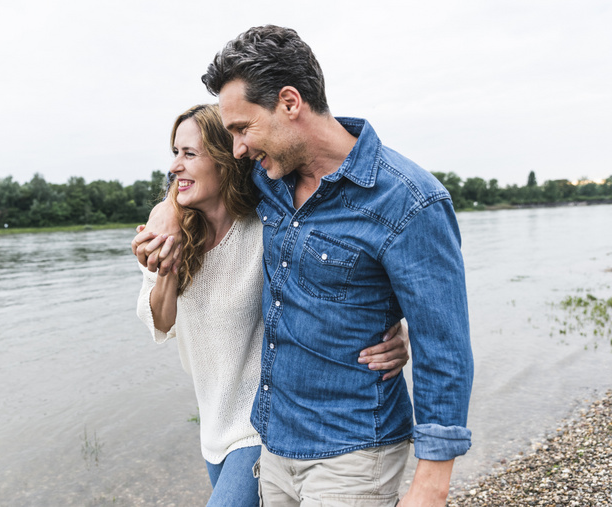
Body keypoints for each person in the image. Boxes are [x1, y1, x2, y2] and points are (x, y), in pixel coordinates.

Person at [136, 25, 474, 506]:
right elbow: (198, 172)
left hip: (355, 449)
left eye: (243, 129)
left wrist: (432, 482)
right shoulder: (268, 180)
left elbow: (444, 348)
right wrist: (169, 209)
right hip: (275, 445)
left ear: (290, 103)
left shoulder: (410, 202)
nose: (238, 149)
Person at [134, 103, 410, 507]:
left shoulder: (268, 227)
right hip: (213, 428)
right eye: (174, 153)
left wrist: (395, 329)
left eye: (189, 154)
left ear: (226, 160)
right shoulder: (169, 234)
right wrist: (169, 259)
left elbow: (334, 286)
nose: (175, 166)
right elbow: (159, 321)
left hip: (261, 424)